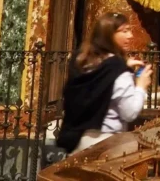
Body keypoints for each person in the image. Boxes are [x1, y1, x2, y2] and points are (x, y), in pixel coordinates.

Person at [57, 13, 153, 154]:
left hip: (77, 141)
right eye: (124, 31)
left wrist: (124, 66)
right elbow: (130, 113)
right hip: (106, 144)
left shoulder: (81, 60)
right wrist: (141, 86)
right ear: (109, 35)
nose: (130, 35)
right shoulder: (117, 69)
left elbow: (98, 84)